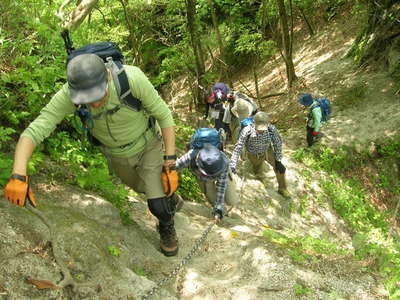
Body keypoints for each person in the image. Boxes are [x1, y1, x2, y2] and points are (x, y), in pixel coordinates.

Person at [3, 53, 180, 257]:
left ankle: (167, 227)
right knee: (146, 188)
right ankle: (170, 197)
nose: (95, 105)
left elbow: (165, 116)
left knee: (156, 203)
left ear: (107, 77)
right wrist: (18, 175)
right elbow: (34, 131)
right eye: (87, 100)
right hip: (117, 155)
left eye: (98, 96)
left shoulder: (132, 79)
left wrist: (170, 161)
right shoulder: (69, 94)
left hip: (149, 144)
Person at [230, 111, 290, 198]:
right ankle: (261, 177)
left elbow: (277, 143)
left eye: (263, 129)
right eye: (259, 129)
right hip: (253, 153)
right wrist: (233, 164)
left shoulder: (271, 129)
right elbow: (238, 146)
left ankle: (282, 188)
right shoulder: (247, 130)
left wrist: (278, 160)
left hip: (267, 150)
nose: (261, 131)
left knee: (281, 169)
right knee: (257, 167)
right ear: (254, 123)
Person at [175, 143, 238, 220]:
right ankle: (223, 214)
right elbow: (173, 168)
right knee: (213, 199)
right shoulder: (190, 156)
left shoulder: (223, 164)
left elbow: (221, 187)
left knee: (231, 200)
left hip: (220, 173)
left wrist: (218, 207)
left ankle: (221, 210)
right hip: (202, 179)